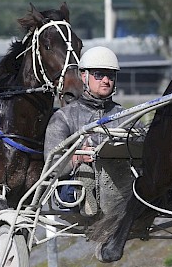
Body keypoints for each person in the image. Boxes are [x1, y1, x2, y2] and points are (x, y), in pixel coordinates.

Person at [43, 46, 126, 216]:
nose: (105, 80)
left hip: (118, 181)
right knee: (86, 172)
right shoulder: (64, 117)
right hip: (73, 187)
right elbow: (51, 165)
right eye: (98, 75)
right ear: (84, 76)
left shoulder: (126, 115)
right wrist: (77, 158)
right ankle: (89, 205)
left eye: (110, 76)